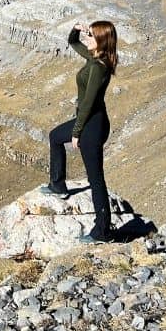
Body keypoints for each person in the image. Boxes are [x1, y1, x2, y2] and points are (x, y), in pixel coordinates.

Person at [41, 20, 118, 243]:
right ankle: (57, 184)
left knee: (96, 179)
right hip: (89, 121)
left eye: (91, 36)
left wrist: (77, 132)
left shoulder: (98, 66)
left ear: (102, 41)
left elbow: (88, 103)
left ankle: (103, 230)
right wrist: (77, 29)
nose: (87, 39)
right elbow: (72, 42)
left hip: (92, 126)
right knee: (55, 137)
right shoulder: (94, 58)